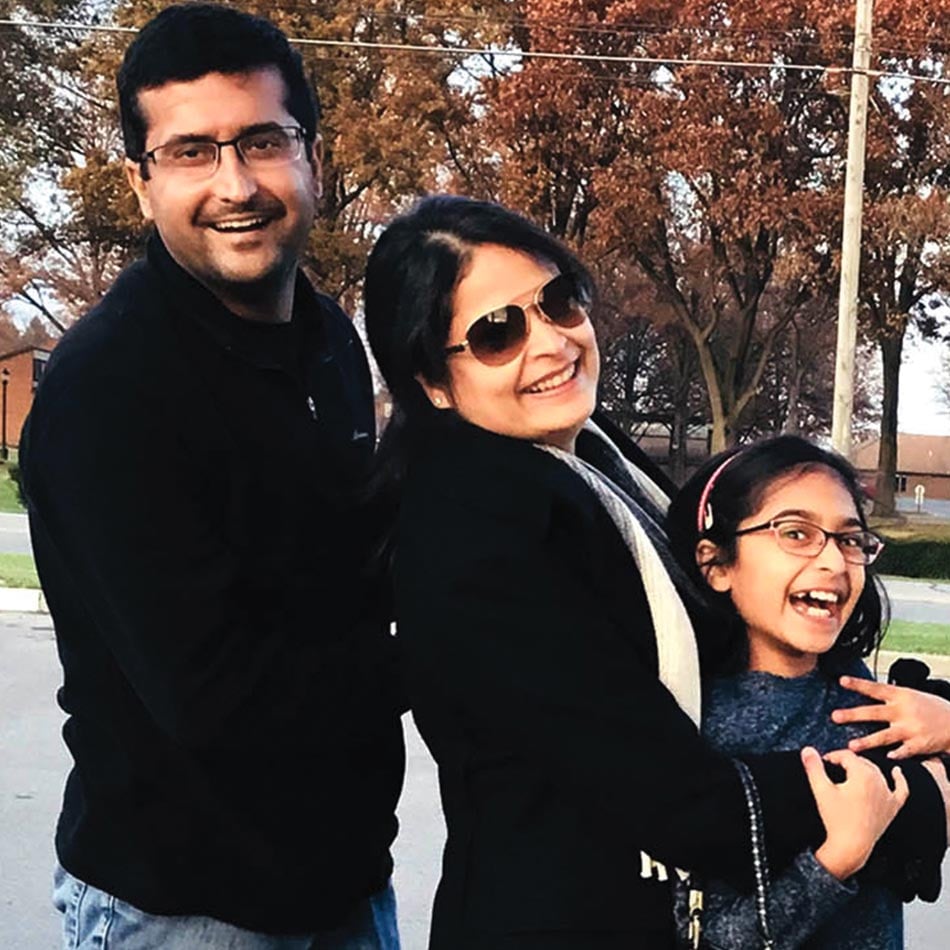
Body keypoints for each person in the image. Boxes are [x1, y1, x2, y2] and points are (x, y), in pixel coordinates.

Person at [362, 194, 947, 949]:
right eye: (497, 332)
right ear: (432, 381)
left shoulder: (584, 455)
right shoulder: (474, 533)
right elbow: (672, 797)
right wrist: (910, 795)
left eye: (558, 302)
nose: (552, 343)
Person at [20, 5, 403, 947]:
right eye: (191, 152)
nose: (236, 185)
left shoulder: (329, 341)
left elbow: (358, 567)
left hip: (346, 883)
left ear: (313, 158)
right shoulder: (110, 389)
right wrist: (458, 647)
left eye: (262, 141)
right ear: (141, 182)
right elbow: (216, 699)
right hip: (185, 907)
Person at [666, 436, 950, 948]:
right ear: (717, 564)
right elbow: (712, 935)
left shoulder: (869, 695)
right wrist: (837, 860)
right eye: (796, 533)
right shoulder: (701, 728)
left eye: (850, 539)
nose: (835, 562)